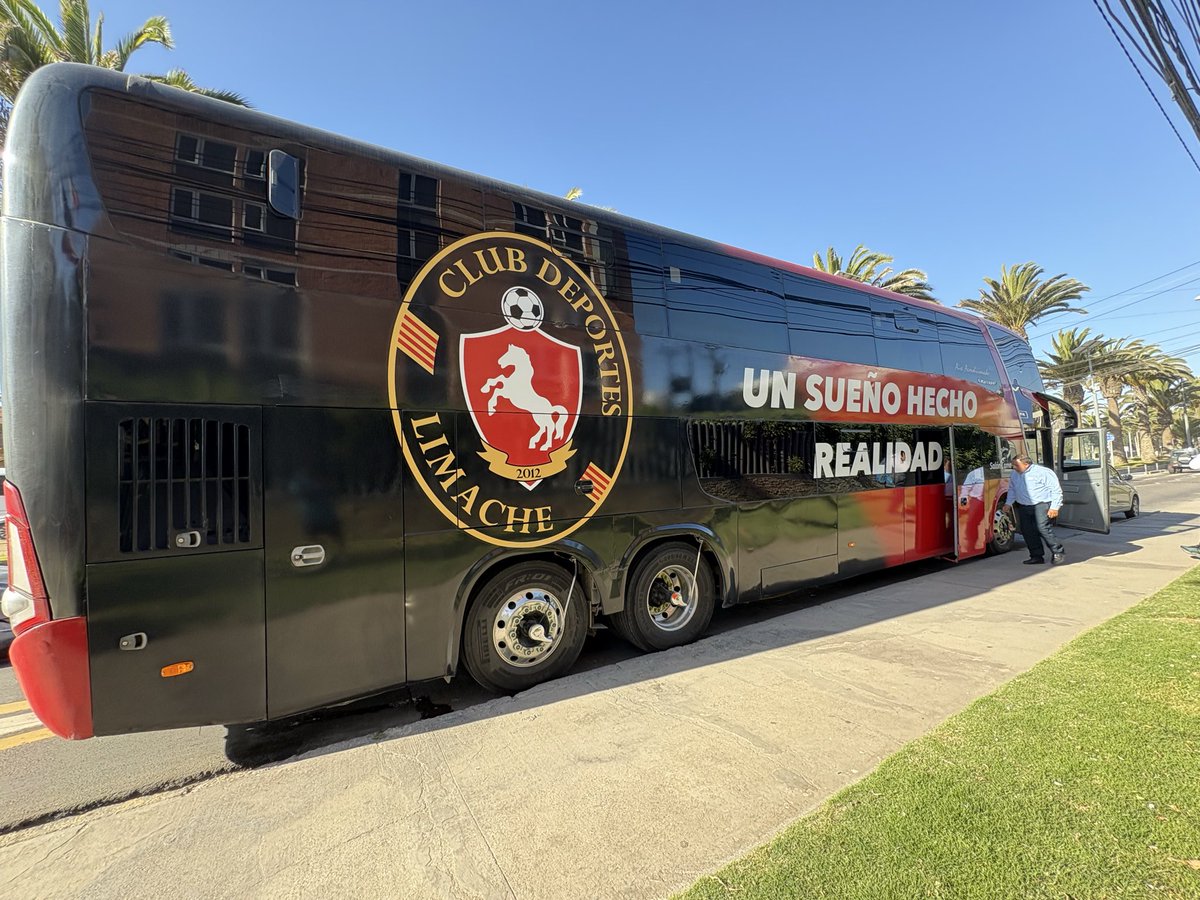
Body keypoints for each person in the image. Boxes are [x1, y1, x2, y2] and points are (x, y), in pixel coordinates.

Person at [1007, 454, 1065, 565]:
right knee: (1027, 531)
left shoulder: (1043, 472)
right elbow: (1012, 489)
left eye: (1016, 465)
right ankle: (1036, 555)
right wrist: (1008, 503)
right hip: (1024, 506)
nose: (1014, 467)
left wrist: (1054, 507)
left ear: (1026, 464)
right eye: (1013, 465)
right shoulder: (1015, 474)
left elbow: (1056, 490)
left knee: (1042, 528)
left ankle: (1058, 551)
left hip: (1041, 504)